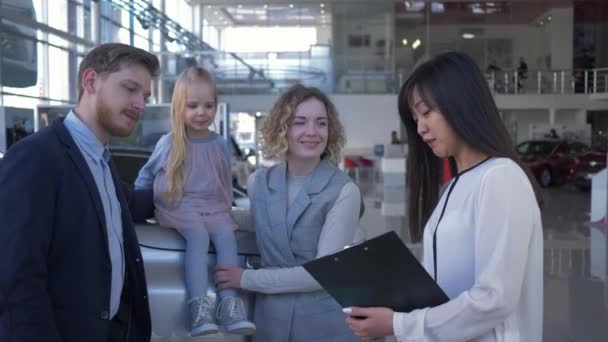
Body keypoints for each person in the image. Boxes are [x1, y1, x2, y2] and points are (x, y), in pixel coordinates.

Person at [344, 51, 544, 341]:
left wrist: (399, 324)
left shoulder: (500, 177)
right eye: (415, 119)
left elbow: (494, 298)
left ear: (461, 104)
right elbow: (441, 287)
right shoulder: (452, 188)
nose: (421, 128)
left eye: (426, 113)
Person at [0, 43, 159, 341]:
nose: (140, 104)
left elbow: (128, 207)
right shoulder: (36, 157)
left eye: (145, 96)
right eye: (130, 89)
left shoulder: (101, 161)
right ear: (90, 81)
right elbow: (15, 277)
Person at [214, 84, 365, 342]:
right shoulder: (258, 182)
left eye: (321, 123)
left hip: (322, 323)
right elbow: (267, 223)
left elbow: (322, 272)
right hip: (269, 322)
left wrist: (247, 278)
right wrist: (206, 213)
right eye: (300, 122)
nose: (312, 132)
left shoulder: (344, 191)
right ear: (282, 129)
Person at [134, 66, 255, 337]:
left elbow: (223, 181)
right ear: (179, 107)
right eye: (193, 105)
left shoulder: (220, 143)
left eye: (208, 105)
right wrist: (137, 208)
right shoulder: (170, 142)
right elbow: (146, 176)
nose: (201, 112)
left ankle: (229, 304)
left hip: (212, 206)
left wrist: (227, 211)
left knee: (226, 236)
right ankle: (199, 310)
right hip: (180, 206)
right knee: (198, 237)